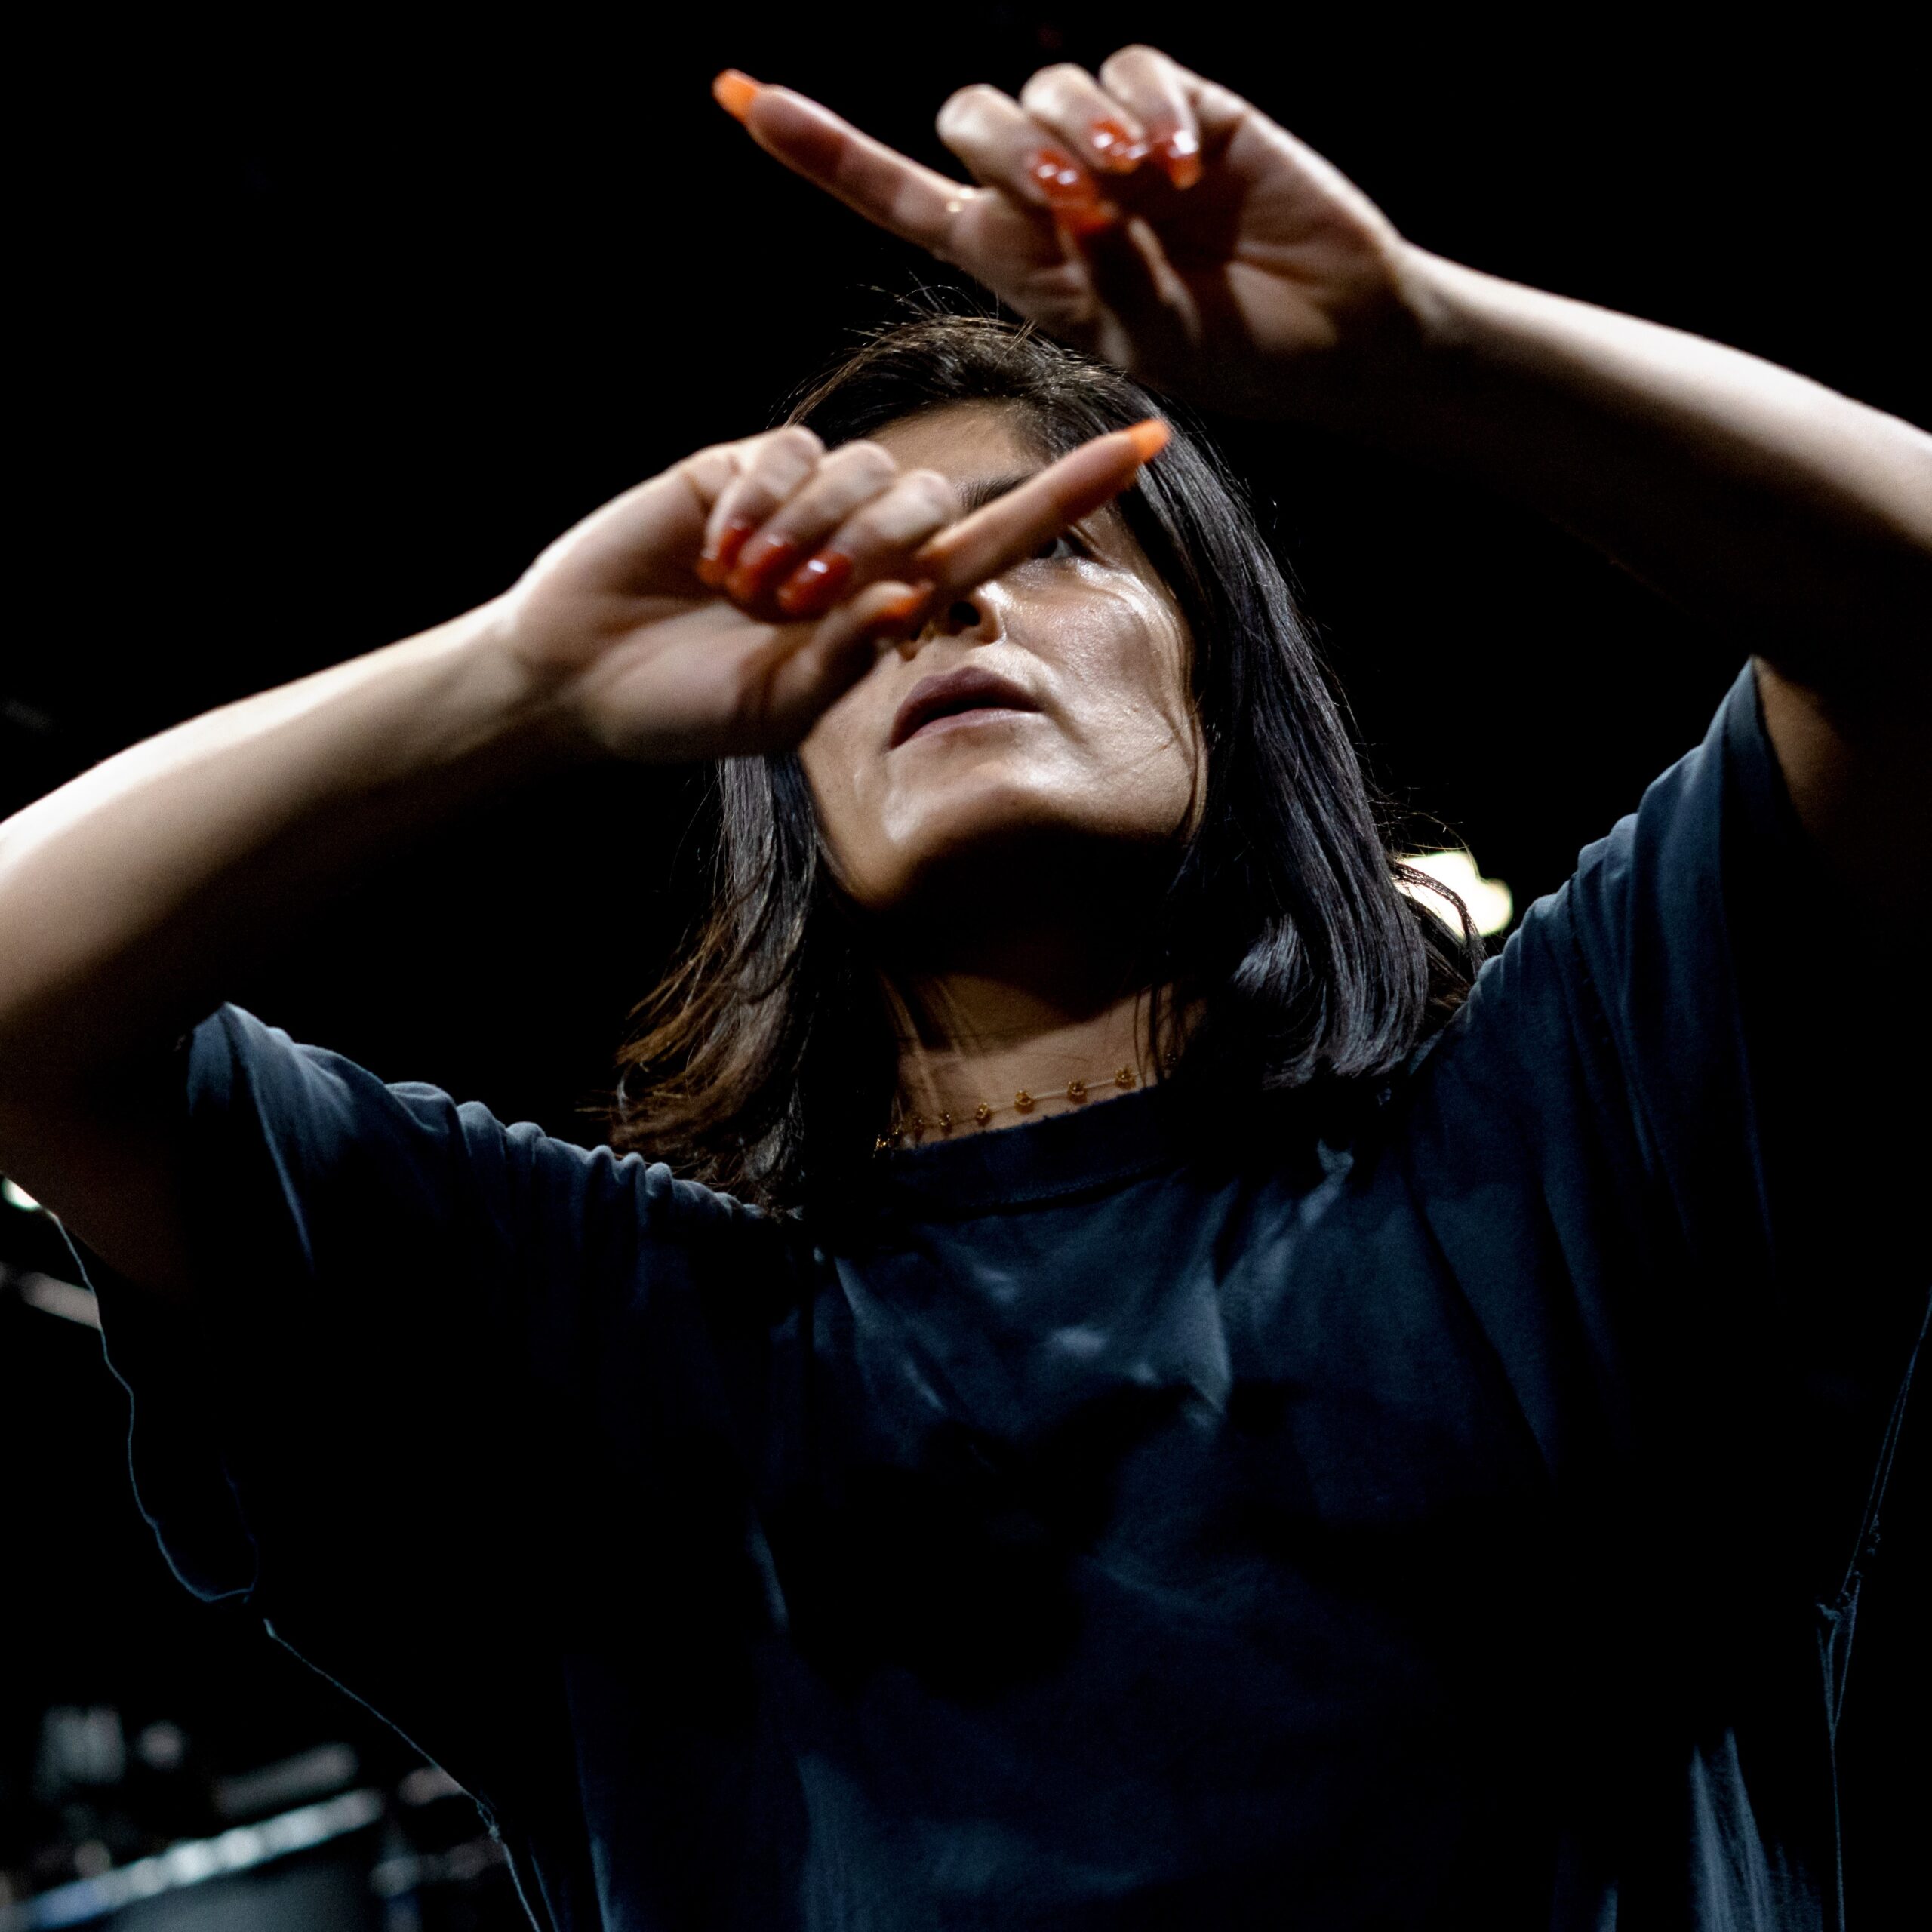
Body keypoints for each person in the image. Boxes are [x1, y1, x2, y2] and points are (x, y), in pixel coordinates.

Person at [1, 40, 1927, 1931]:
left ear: (1220, 687)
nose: (944, 595)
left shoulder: (1583, 1129)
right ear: (785, 780)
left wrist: (1417, 344)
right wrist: (519, 676)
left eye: (1056, 541)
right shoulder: (602, 1346)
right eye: (858, 588)